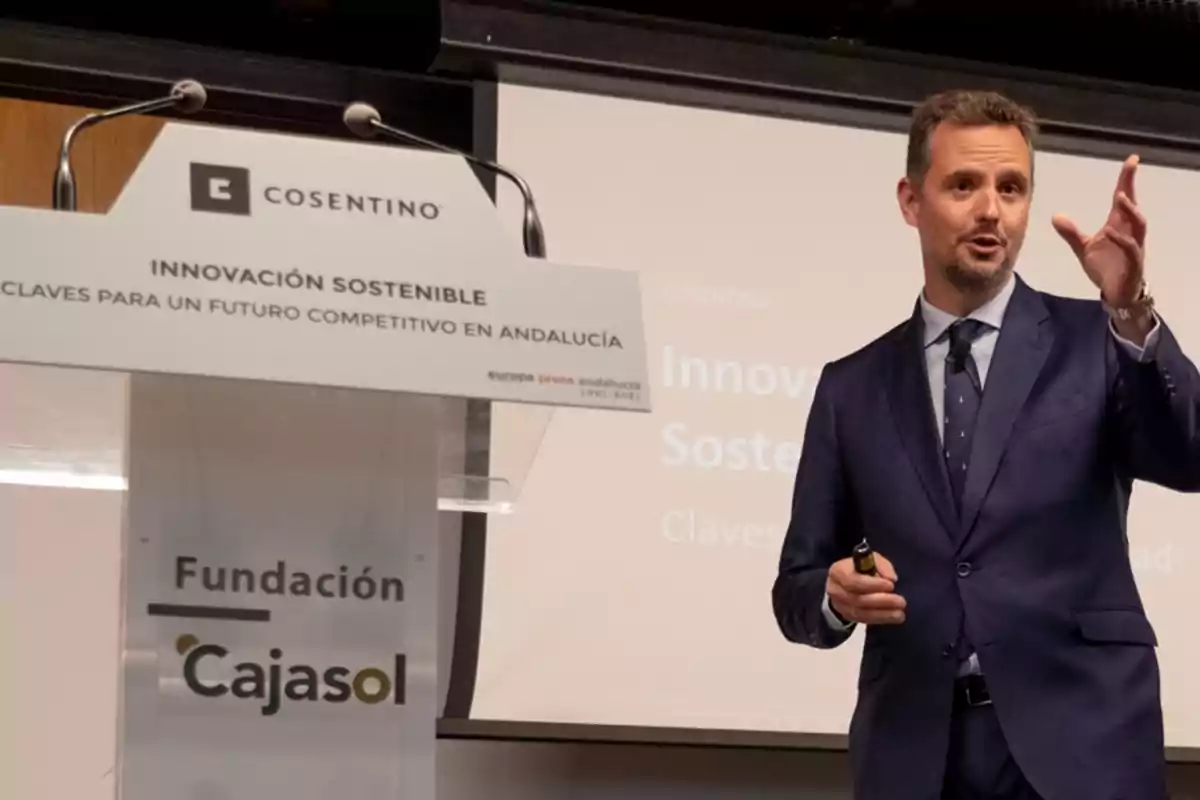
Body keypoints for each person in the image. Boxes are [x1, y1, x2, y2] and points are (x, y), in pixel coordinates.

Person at [771, 89, 1200, 800]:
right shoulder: (851, 387)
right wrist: (834, 598)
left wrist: (1130, 308)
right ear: (911, 201)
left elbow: (1190, 458)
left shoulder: (1099, 339)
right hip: (916, 753)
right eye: (963, 185)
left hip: (1083, 747)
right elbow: (798, 586)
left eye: (1012, 187)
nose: (991, 210)